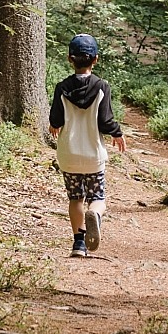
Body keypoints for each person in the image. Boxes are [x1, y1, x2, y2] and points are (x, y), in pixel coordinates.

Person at [49, 33, 126, 258]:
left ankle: (78, 244)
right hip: (93, 155)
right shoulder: (101, 86)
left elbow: (56, 119)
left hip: (69, 154)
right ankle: (95, 215)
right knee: (97, 198)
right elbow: (105, 120)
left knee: (75, 198)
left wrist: (54, 125)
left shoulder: (62, 87)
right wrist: (117, 133)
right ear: (96, 59)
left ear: (69, 59)